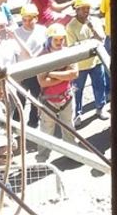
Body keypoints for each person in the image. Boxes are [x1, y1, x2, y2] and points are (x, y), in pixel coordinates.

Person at [37, 23, 79, 162]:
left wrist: (53, 74)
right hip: (49, 100)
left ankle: (72, 153)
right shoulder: (42, 56)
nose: (59, 42)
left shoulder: (68, 53)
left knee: (68, 127)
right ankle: (42, 156)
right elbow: (43, 82)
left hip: (66, 97)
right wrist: (63, 77)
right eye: (56, 39)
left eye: (61, 39)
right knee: (46, 129)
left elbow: (74, 73)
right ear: (49, 40)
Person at [65, 0, 110, 122]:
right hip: (80, 65)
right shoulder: (70, 27)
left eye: (88, 8)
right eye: (83, 8)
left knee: (100, 86)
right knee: (77, 90)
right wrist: (89, 42)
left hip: (96, 61)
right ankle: (77, 114)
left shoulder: (94, 21)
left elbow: (101, 39)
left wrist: (91, 28)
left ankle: (101, 108)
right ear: (77, 10)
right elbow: (72, 47)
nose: (86, 11)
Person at [15, 3, 47, 126]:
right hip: (22, 72)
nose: (27, 23)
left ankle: (33, 122)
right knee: (19, 99)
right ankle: (16, 123)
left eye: (30, 20)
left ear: (36, 18)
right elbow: (14, 55)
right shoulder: (17, 32)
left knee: (36, 98)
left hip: (37, 71)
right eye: (24, 20)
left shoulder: (42, 30)